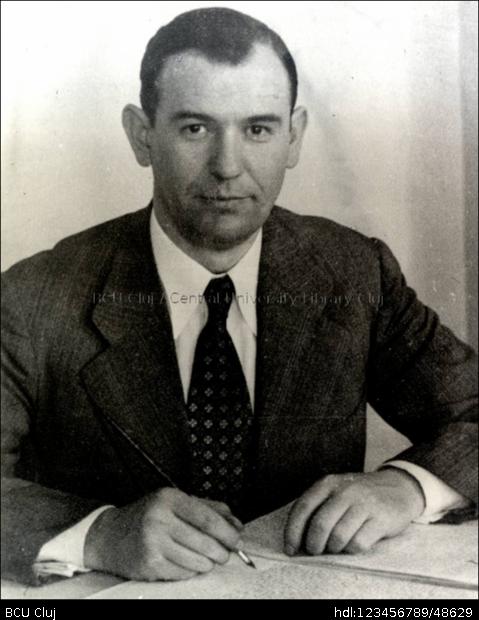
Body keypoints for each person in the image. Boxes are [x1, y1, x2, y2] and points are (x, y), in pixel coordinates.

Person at [1, 7, 477, 586]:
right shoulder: (34, 297)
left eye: (258, 130)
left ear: (293, 137)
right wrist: (99, 533)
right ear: (142, 135)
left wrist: (408, 486)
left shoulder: (354, 273)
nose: (228, 167)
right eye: (195, 129)